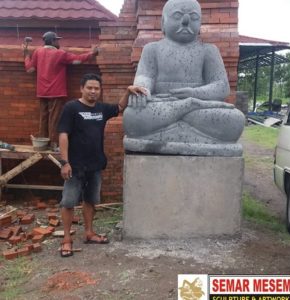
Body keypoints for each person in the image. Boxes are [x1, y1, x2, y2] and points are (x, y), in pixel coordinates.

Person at [123, 0, 245, 156]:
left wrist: (193, 93)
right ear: (163, 22)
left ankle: (176, 122)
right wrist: (141, 90)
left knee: (234, 120)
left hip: (197, 105)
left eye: (193, 17)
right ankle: (188, 110)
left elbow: (221, 86)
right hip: (164, 103)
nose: (186, 21)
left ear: (200, 23)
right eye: (177, 15)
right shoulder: (152, 49)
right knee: (132, 117)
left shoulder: (208, 51)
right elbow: (145, 75)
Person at [57, 73, 146, 257]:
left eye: (96, 88)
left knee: (90, 201)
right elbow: (63, 135)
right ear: (82, 89)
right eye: (89, 88)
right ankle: (66, 239)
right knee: (68, 202)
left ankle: (89, 233)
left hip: (95, 165)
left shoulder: (101, 109)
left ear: (100, 91)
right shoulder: (71, 108)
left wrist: (128, 91)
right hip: (75, 165)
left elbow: (120, 107)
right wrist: (64, 162)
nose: (93, 91)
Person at [23, 31, 99, 149]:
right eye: (57, 40)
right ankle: (54, 144)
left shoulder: (38, 52)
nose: (58, 42)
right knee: (54, 119)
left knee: (43, 118)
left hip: (42, 92)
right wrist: (92, 54)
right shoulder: (60, 54)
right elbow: (77, 60)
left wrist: (26, 55)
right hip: (56, 92)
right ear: (52, 41)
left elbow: (30, 69)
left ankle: (42, 143)